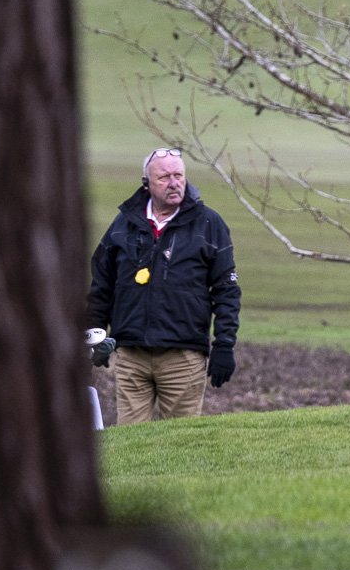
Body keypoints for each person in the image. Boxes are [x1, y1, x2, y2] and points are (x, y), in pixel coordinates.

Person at [86, 148, 241, 423]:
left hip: (184, 356)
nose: (174, 183)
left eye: (179, 175)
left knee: (181, 443)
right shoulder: (124, 224)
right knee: (131, 444)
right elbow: (102, 283)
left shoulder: (209, 224)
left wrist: (224, 345)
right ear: (146, 183)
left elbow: (227, 291)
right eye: (164, 177)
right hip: (131, 354)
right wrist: (95, 334)